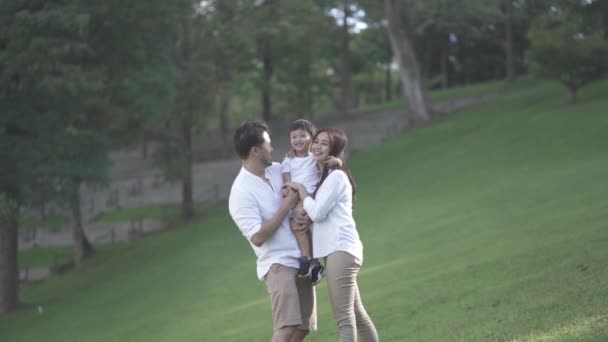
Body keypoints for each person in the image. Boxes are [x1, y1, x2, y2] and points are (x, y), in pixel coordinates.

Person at [286, 128, 379, 342]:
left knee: (344, 319)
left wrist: (301, 190)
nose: (317, 146)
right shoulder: (326, 175)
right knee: (357, 314)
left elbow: (317, 213)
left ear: (334, 150)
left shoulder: (336, 176)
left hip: (341, 250)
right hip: (339, 250)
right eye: (316, 141)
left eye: (324, 143)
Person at [228, 121, 316, 342]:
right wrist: (286, 206)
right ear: (255, 151)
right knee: (286, 328)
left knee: (303, 327)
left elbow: (310, 183)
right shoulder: (240, 192)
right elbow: (257, 237)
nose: (272, 148)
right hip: (277, 264)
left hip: (303, 260)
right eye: (268, 144)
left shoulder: (280, 170)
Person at [281, 119, 340, 279]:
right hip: (295, 198)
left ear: (312, 138)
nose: (297, 139)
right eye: (294, 137)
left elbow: (334, 163)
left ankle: (307, 260)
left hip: (310, 197)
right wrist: (286, 190)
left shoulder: (314, 157)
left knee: (297, 226)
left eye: (302, 135)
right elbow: (286, 180)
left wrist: (338, 162)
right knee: (302, 229)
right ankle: (314, 265)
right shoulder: (288, 160)